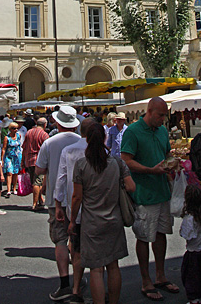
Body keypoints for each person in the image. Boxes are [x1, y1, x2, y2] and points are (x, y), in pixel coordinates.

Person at [68, 122, 135, 304]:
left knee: (96, 269)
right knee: (113, 266)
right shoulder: (116, 163)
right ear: (105, 138)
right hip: (114, 219)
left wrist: (72, 221)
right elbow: (131, 186)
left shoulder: (81, 164)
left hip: (92, 222)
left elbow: (77, 197)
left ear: (87, 139)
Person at [121, 97, 179, 300]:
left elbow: (166, 154)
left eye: (164, 115)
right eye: (160, 115)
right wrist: (150, 170)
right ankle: (146, 281)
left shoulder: (162, 131)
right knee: (144, 237)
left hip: (162, 191)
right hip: (144, 194)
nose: (163, 119)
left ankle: (160, 275)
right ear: (149, 111)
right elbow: (126, 161)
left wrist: (172, 164)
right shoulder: (133, 131)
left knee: (161, 233)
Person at [35, 106, 81, 301]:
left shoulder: (49, 143)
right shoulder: (81, 142)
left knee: (60, 240)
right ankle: (79, 283)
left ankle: (64, 283)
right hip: (79, 197)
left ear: (57, 122)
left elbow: (38, 170)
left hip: (57, 199)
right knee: (77, 241)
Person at [54, 117, 96, 303]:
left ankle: (77, 289)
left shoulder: (69, 150)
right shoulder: (102, 151)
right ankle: (99, 293)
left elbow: (61, 178)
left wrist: (58, 204)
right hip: (98, 210)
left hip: (76, 209)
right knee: (99, 254)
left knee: (77, 250)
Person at [180, 184, 201, 304]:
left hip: (193, 252)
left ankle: (194, 298)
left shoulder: (189, 218)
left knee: (191, 277)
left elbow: (187, 235)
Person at [21, 117, 49, 210]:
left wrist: (23, 160)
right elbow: (47, 150)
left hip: (29, 160)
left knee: (35, 181)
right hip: (39, 161)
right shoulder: (44, 135)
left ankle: (40, 200)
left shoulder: (29, 132)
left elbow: (24, 147)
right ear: (45, 125)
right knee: (37, 182)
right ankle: (35, 203)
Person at [1, 122, 22, 197]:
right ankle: (9, 189)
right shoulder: (7, 138)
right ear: (10, 129)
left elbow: (19, 146)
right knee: (9, 173)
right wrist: (2, 159)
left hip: (17, 156)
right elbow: (4, 148)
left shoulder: (18, 136)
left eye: (16, 128)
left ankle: (14, 189)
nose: (16, 130)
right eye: (14, 128)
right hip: (9, 157)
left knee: (16, 172)